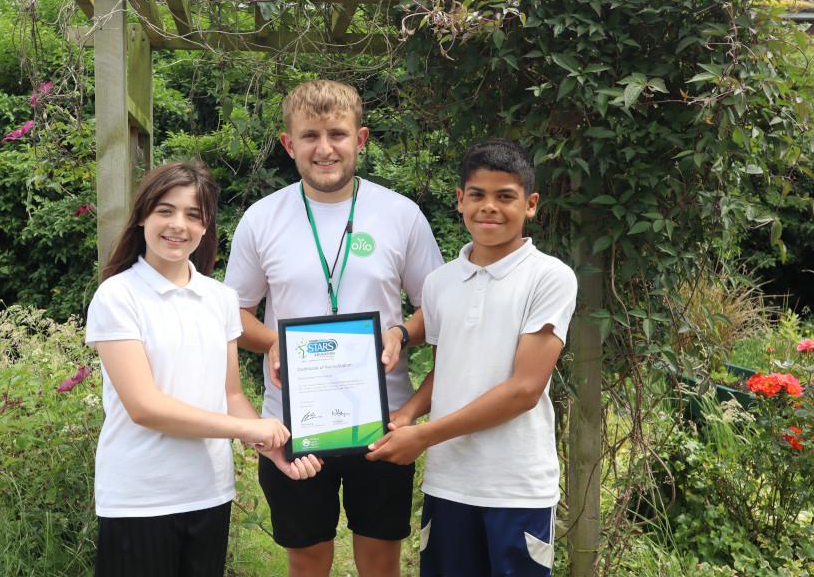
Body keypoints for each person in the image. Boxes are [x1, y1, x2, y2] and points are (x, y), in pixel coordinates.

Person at [224, 80, 444, 577]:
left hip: (383, 422)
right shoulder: (263, 219)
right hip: (292, 424)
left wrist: (401, 334)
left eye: (338, 134)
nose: (325, 149)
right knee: (306, 560)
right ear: (289, 144)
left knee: (381, 559)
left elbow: (438, 308)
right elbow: (232, 316)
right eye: (310, 136)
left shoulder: (400, 215)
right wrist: (275, 342)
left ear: (361, 139)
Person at [85, 161, 321, 577]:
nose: (179, 225)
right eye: (166, 210)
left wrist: (275, 450)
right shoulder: (117, 296)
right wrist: (250, 430)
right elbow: (145, 407)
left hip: (209, 493)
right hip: (140, 498)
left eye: (194, 215)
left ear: (206, 225)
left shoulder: (220, 298)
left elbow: (230, 396)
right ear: (142, 215)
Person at [366, 139, 578, 577]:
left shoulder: (550, 277)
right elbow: (447, 368)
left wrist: (424, 437)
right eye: (478, 195)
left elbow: (524, 390)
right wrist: (407, 414)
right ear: (460, 200)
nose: (490, 208)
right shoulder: (441, 283)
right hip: (449, 484)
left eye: (505, 197)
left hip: (516, 488)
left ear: (531, 204)